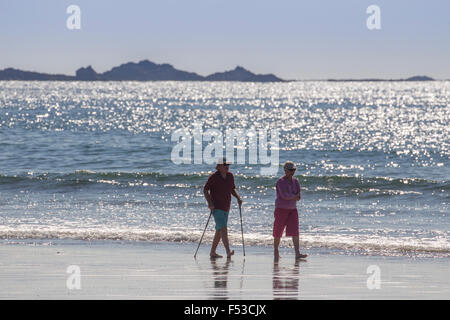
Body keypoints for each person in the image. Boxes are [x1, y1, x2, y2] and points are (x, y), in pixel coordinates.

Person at [203, 157, 243, 259]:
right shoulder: (214, 177)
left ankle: (212, 252)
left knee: (219, 231)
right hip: (216, 207)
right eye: (225, 165)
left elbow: (232, 189)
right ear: (219, 166)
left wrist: (238, 198)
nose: (227, 167)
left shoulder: (230, 176)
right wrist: (210, 203)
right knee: (223, 229)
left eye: (228, 165)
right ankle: (228, 252)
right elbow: (205, 190)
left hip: (226, 206)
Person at [273, 161, 308, 262]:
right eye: (290, 170)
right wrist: (293, 197)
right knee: (278, 231)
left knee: (295, 231)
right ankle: (276, 251)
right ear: (285, 170)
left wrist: (293, 197)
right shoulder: (280, 182)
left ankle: (297, 253)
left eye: (294, 170)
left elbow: (298, 195)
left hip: (293, 210)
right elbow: (284, 196)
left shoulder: (296, 181)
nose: (292, 172)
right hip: (281, 209)